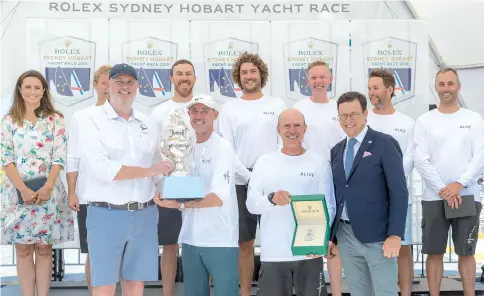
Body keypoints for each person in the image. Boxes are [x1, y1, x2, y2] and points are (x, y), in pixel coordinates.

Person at [77, 63, 174, 296]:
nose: (124, 87)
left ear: (137, 86)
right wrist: (150, 171)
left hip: (145, 214)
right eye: (119, 81)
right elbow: (102, 169)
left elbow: (160, 165)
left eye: (130, 82)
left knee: (136, 283)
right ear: (108, 85)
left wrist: (170, 189)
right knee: (104, 285)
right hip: (106, 213)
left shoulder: (148, 123)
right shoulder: (88, 118)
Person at [154, 95, 242, 296]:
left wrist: (178, 205)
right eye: (195, 111)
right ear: (188, 115)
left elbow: (217, 198)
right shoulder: (186, 147)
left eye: (204, 111)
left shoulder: (223, 147)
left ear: (215, 115)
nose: (199, 116)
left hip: (219, 239)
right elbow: (183, 185)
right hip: (190, 238)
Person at [0, 70, 74, 296]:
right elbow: (6, 158)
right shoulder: (9, 121)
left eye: (37, 87)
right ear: (20, 90)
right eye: (28, 87)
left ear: (43, 91)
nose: (32, 91)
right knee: (23, 250)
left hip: (48, 192)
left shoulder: (56, 119)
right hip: (17, 193)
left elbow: (59, 156)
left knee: (43, 249)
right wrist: (22, 189)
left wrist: (48, 186)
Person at [246, 108, 335, 296]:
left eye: (297, 125)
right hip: (274, 255)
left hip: (310, 254)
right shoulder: (264, 162)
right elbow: (251, 204)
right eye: (287, 126)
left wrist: (321, 241)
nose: (292, 130)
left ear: (305, 129)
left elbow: (329, 206)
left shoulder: (319, 163)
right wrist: (272, 199)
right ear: (278, 129)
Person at [218, 52, 286, 296]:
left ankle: (272, 291)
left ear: (261, 75)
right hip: (239, 182)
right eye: (244, 72)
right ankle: (245, 292)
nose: (249, 76)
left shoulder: (277, 106)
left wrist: (266, 176)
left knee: (273, 240)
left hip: (271, 183)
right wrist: (249, 178)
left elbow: (283, 143)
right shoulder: (229, 108)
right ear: (239, 77)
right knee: (244, 243)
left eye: (253, 71)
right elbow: (226, 148)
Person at [328, 91, 408, 296]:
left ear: (365, 114)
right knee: (358, 292)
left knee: (385, 292)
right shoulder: (336, 150)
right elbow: (337, 194)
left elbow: (399, 192)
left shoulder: (384, 143)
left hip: (378, 236)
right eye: (343, 115)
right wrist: (331, 236)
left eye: (353, 114)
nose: (348, 120)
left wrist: (395, 234)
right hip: (345, 235)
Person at [414, 68, 484, 296]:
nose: (446, 89)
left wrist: (459, 184)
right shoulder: (424, 121)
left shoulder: (473, 119)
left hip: (467, 195)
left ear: (458, 86)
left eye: (450, 84)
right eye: (441, 84)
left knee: (466, 252)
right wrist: (444, 189)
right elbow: (420, 159)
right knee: (434, 253)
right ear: (436, 87)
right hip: (434, 198)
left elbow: (480, 156)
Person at [292, 60, 345, 296]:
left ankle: (336, 292)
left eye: (322, 77)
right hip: (307, 181)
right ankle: (308, 290)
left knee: (334, 240)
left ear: (330, 79)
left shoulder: (339, 108)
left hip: (337, 180)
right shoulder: (299, 108)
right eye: (313, 77)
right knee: (309, 236)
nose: (318, 81)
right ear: (307, 80)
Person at [366, 68, 415, 296]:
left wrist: (391, 183)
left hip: (397, 195)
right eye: (369, 88)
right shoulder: (364, 119)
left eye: (376, 88)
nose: (371, 92)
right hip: (369, 199)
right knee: (369, 248)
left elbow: (410, 158)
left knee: (402, 247)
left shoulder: (406, 123)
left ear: (390, 89)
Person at [150, 59, 197, 296]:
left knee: (200, 245)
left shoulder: (204, 108)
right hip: (168, 185)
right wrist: (156, 183)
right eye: (179, 73)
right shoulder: (159, 112)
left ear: (195, 78)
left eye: (188, 73)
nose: (184, 77)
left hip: (198, 185)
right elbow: (152, 151)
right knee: (169, 246)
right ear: (171, 79)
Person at [66, 64, 112, 295]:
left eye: (111, 82)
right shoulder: (81, 117)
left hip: (119, 198)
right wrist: (72, 192)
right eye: (103, 82)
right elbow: (73, 157)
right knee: (93, 252)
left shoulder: (128, 117)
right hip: (88, 197)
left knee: (117, 253)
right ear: (95, 85)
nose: (107, 87)